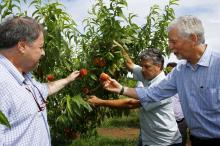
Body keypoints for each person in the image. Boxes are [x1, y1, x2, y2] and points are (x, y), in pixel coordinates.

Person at [102, 15, 220, 146]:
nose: (169, 46)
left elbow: (133, 103)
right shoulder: (180, 71)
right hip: (197, 139)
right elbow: (153, 92)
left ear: (193, 38)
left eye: (173, 41)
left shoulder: (217, 64)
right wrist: (121, 89)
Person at [0, 16, 80, 146]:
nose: (43, 53)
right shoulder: (2, 82)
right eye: (41, 47)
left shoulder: (25, 76)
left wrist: (68, 79)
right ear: (22, 46)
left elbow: (45, 89)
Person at [88, 48, 182, 146]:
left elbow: (131, 103)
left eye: (146, 66)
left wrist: (99, 101)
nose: (143, 70)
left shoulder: (162, 86)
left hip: (165, 142)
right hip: (148, 138)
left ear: (158, 66)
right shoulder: (148, 75)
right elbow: (130, 65)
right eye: (142, 66)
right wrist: (119, 47)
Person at [166, 62, 188, 146]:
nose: (170, 74)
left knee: (181, 141)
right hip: (167, 121)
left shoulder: (184, 85)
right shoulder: (163, 85)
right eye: (168, 71)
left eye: (172, 71)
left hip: (181, 121)